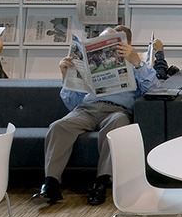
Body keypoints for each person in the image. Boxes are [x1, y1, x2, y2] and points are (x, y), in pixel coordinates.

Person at [32, 24, 156, 207]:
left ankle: (101, 182)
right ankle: (51, 184)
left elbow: (154, 89)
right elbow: (73, 104)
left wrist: (137, 63)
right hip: (87, 109)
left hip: (117, 110)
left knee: (118, 123)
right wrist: (66, 76)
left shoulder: (135, 64)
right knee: (58, 126)